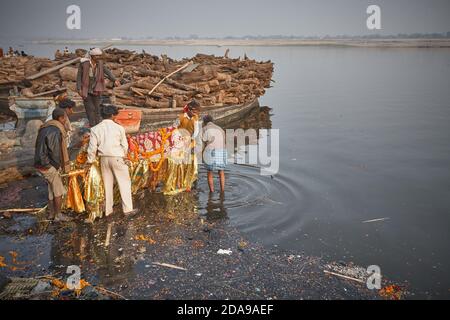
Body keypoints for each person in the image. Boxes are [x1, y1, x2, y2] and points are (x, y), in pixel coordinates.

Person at [87, 104, 136, 217]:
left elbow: (92, 148)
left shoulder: (95, 129)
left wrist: (90, 161)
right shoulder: (119, 128)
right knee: (124, 183)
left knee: (107, 184)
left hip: (103, 159)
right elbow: (125, 145)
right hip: (117, 157)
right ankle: (127, 210)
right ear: (113, 115)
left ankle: (108, 210)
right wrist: (123, 155)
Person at [34, 108, 72, 222]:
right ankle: (58, 215)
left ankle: (51, 213)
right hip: (48, 164)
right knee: (58, 190)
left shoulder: (45, 127)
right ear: (60, 118)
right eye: (64, 117)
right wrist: (56, 166)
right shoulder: (56, 130)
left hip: (40, 163)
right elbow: (54, 151)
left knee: (51, 189)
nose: (66, 120)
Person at [76, 48, 120, 127]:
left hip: (97, 89)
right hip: (86, 89)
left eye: (100, 56)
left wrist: (114, 80)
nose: (99, 58)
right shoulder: (84, 64)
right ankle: (92, 125)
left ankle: (98, 124)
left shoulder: (100, 63)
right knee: (90, 108)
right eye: (97, 56)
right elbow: (79, 77)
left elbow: (107, 71)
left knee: (97, 108)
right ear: (92, 56)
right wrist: (79, 88)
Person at [202, 115, 227, 193]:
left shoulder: (204, 129)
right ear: (212, 121)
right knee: (221, 171)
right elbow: (224, 142)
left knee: (210, 172)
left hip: (210, 151)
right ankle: (222, 191)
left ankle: (212, 192)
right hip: (222, 150)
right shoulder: (220, 129)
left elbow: (203, 144)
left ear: (204, 122)